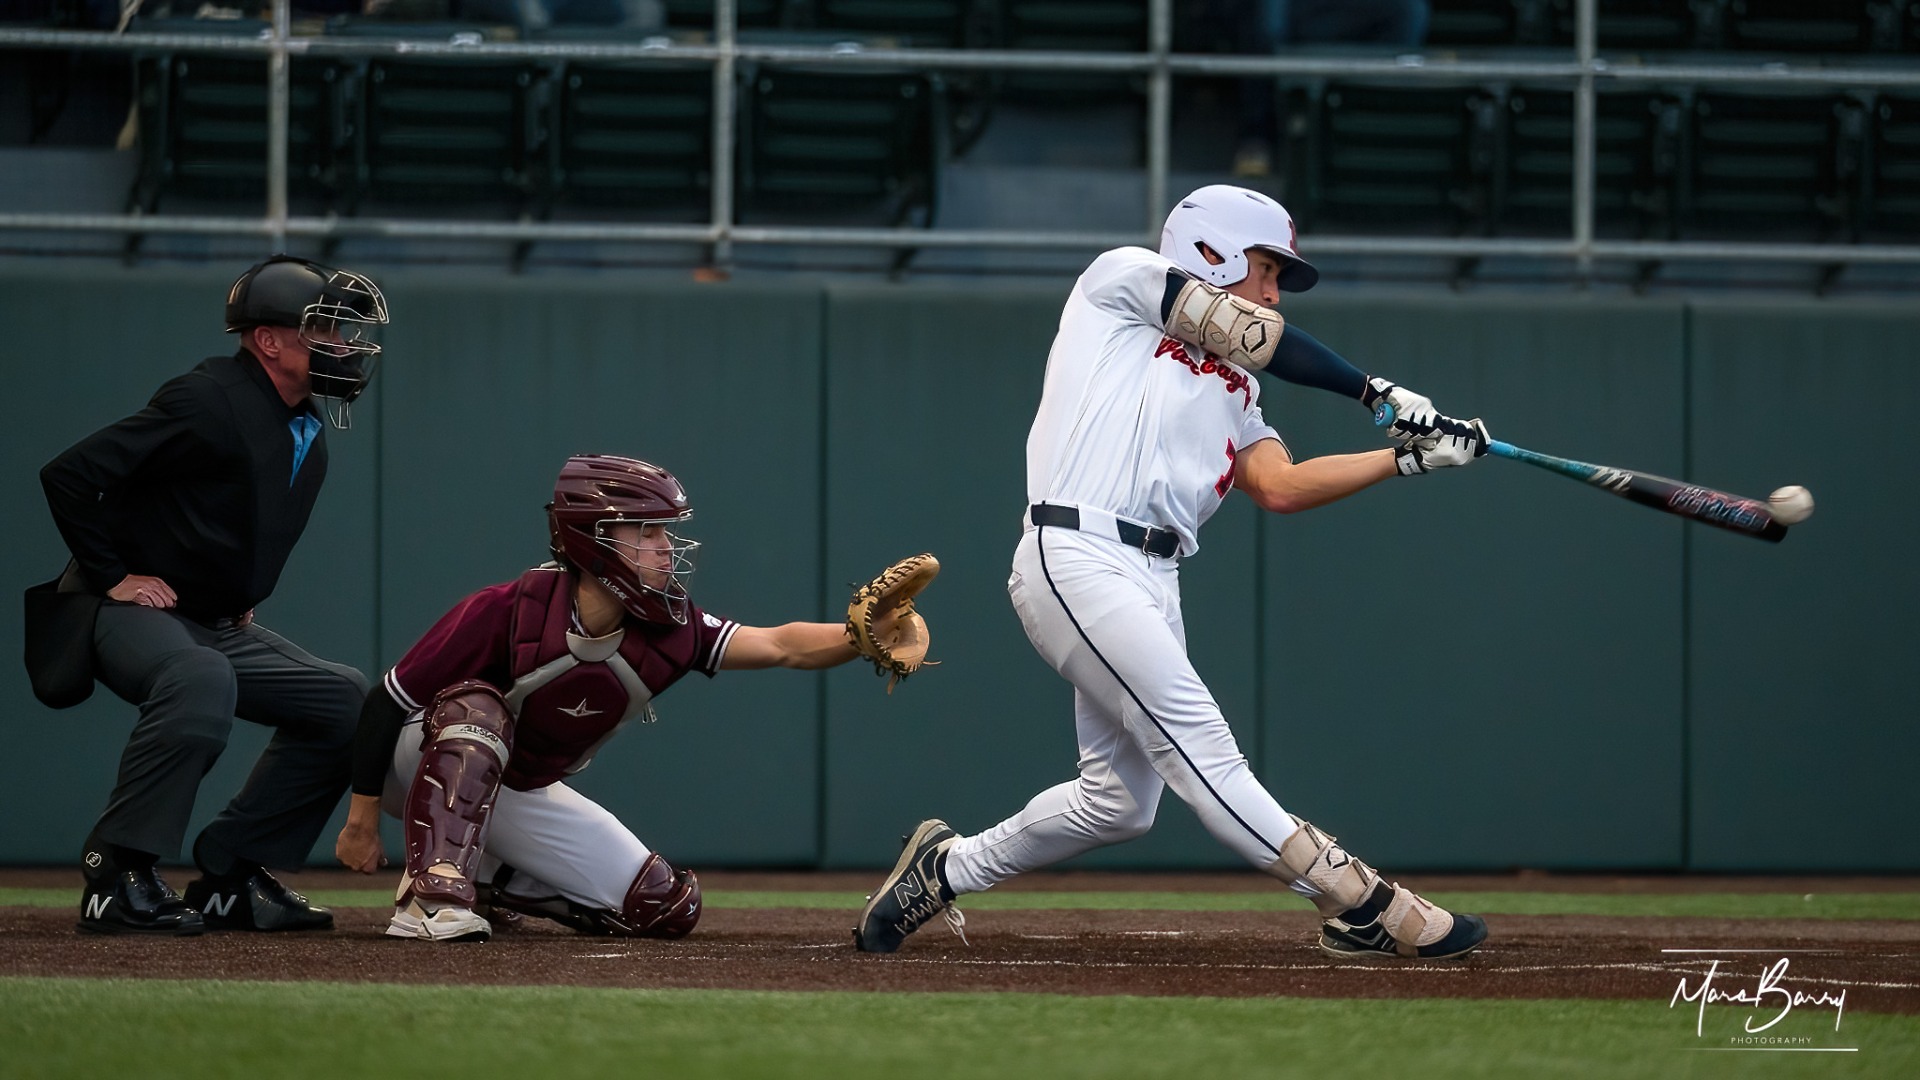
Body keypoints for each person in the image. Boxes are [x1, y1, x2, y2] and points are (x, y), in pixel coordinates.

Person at [853, 184, 1493, 962]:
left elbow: (1280, 486)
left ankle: (944, 869)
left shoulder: (1242, 383)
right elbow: (1257, 334)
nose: (1272, 289)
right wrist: (1376, 392)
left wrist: (1402, 457)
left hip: (1157, 577)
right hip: (1077, 550)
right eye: (1265, 267)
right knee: (1204, 750)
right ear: (1211, 250)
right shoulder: (1119, 279)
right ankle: (1366, 903)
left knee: (1117, 804)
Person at [335, 454, 929, 942]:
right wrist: (361, 822)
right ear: (592, 540)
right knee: (478, 711)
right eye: (645, 530)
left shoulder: (671, 629)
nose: (664, 546)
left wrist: (857, 637)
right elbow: (386, 702)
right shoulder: (508, 611)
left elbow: (778, 645)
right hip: (416, 764)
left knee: (663, 907)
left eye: (665, 530)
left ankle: (487, 880)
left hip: (518, 785)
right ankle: (430, 897)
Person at [39, 254, 389, 936]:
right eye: (325, 331)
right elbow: (70, 475)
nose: (344, 348)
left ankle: (232, 873)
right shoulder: (206, 399)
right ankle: (115, 873)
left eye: (345, 334)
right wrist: (114, 575)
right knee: (201, 677)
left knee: (347, 700)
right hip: (118, 612)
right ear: (269, 340)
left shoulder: (306, 430)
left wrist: (232, 589)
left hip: (211, 621)